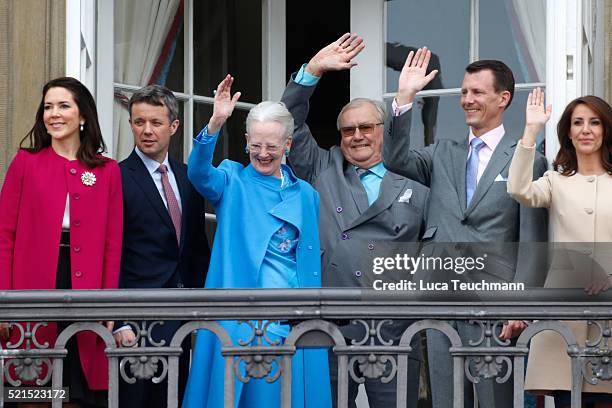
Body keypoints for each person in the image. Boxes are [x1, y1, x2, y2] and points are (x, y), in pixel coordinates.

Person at [383, 50, 549, 408]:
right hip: (441, 299)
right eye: (463, 92)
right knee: (446, 401)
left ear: (503, 98)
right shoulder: (441, 152)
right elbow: (395, 159)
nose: (466, 100)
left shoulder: (527, 158)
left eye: (476, 92)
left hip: (495, 306)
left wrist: (520, 307)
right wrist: (404, 100)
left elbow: (533, 240)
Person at [280, 33, 428, 408]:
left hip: (395, 331)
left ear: (384, 131)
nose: (357, 136)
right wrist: (311, 72)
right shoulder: (320, 166)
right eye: (348, 130)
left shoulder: (415, 178)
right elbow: (288, 124)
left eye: (367, 128)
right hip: (330, 327)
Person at [182, 75, 331, 408]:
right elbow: (198, 173)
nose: (263, 154)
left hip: (292, 323)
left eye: (272, 147)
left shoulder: (307, 195)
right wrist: (217, 121)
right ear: (246, 140)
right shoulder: (231, 179)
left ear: (289, 145)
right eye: (256, 145)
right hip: (238, 323)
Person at [0, 77, 123, 407]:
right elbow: (4, 237)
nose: (53, 113)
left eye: (63, 105)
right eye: (48, 107)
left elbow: (113, 243)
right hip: (33, 284)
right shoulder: (25, 163)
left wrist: (109, 299)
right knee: (34, 388)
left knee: (79, 386)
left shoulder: (107, 170)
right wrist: (4, 301)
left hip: (87, 287)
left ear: (83, 116)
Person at [507, 90, 612, 407]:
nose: (586, 130)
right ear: (568, 131)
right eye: (577, 122)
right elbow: (518, 188)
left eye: (594, 122)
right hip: (564, 318)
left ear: (606, 129)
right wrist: (531, 130)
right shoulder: (555, 180)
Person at [113, 84, 210, 407]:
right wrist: (119, 318)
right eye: (139, 122)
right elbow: (109, 251)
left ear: (174, 126)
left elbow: (196, 249)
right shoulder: (116, 177)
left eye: (155, 122)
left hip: (183, 316)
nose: (147, 130)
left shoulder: (189, 178)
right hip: (137, 316)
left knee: (176, 398)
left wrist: (206, 312)